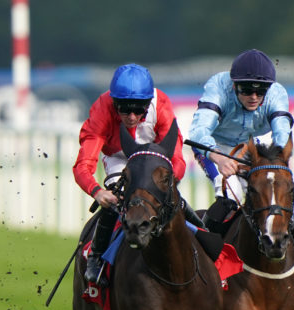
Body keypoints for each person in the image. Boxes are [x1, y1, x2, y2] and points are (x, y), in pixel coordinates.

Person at [73, 63, 202, 285]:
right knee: (116, 199)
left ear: (148, 103)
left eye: (139, 109)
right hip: (119, 158)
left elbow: (177, 159)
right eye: (124, 109)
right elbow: (83, 165)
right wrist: (97, 192)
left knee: (173, 199)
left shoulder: (161, 104)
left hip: (152, 157)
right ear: (114, 102)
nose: (131, 116)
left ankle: (205, 241)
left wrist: (170, 183)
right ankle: (96, 256)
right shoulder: (102, 109)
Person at [188, 49, 294, 247]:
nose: (254, 97)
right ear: (234, 85)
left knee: (270, 192)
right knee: (230, 196)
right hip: (215, 147)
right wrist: (219, 158)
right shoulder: (218, 87)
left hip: (252, 146)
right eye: (246, 91)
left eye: (260, 92)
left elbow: (282, 134)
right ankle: (203, 247)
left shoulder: (276, 93)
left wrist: (278, 162)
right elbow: (198, 132)